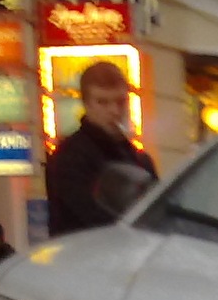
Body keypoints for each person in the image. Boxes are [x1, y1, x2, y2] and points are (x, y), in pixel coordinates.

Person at [46, 61, 158, 237]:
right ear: (86, 104)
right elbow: (90, 216)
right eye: (103, 102)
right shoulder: (70, 157)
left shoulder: (138, 158)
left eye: (120, 102)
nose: (114, 110)